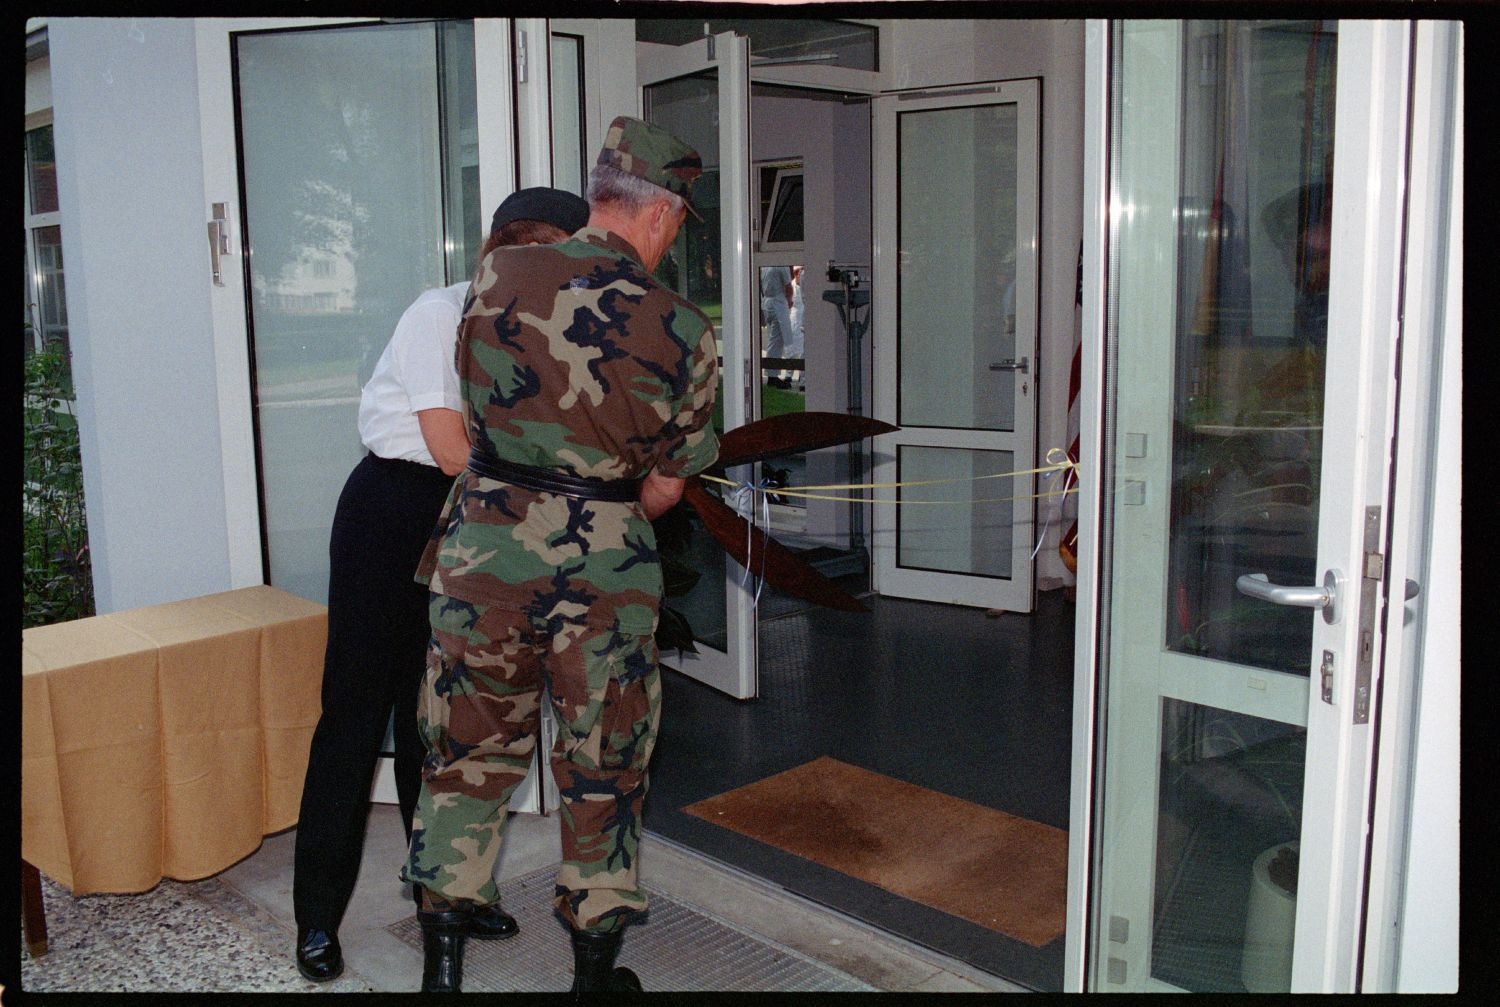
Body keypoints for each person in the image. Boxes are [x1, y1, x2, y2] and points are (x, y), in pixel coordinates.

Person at [399, 116, 719, 995]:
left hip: (484, 551)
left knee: (465, 757)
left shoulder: (497, 273)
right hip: (604, 571)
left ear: (602, 196)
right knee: (603, 767)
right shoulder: (684, 328)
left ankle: (443, 971)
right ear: (664, 216)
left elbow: (470, 419)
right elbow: (665, 488)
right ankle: (589, 980)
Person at [291, 188, 591, 984]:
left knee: (441, 724)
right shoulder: (440, 310)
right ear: (499, 251)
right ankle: (317, 918)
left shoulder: (544, 334)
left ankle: (445, 898)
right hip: (396, 505)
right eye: (534, 255)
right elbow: (450, 445)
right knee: (355, 716)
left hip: (480, 516)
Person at [761, 264, 794, 388]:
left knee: (773, 339)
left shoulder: (765, 267)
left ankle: (772, 373)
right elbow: (788, 286)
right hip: (778, 303)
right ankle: (772, 375)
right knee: (777, 341)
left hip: (767, 303)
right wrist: (789, 300)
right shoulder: (781, 266)